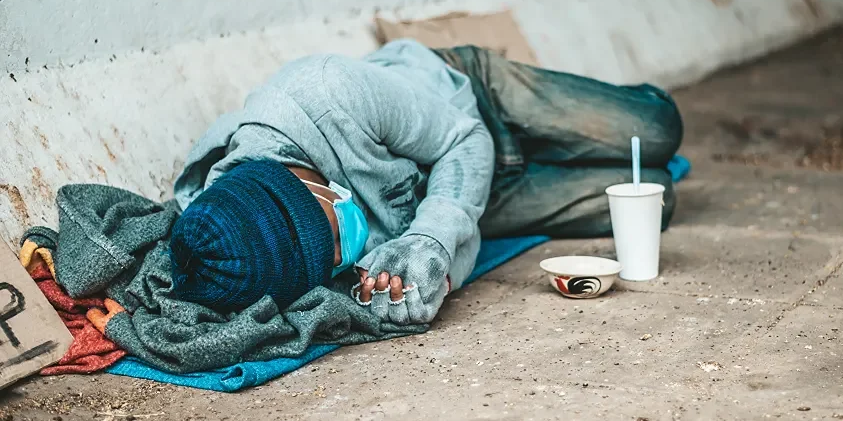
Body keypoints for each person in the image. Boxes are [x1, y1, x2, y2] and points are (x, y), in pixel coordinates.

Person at [167, 39, 683, 325]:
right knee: (656, 199)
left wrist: (430, 236)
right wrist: (431, 279)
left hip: (470, 104)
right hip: (465, 196)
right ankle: (559, 147)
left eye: (333, 231)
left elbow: (467, 142)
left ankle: (554, 127)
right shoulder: (262, 256)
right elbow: (465, 232)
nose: (345, 250)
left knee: (658, 133)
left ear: (308, 182)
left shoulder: (326, 90)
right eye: (332, 260)